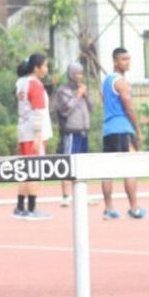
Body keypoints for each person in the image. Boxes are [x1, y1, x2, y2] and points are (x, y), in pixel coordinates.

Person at [101, 48, 145, 219]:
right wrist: (138, 129)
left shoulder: (106, 81)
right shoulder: (121, 82)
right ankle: (134, 208)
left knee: (108, 171)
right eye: (123, 59)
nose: (127, 62)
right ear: (115, 61)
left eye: (128, 59)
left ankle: (109, 208)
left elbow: (105, 101)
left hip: (108, 129)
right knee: (130, 169)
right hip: (123, 128)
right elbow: (129, 107)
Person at [14, 54, 53, 220]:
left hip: (23, 130)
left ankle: (20, 206)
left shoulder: (21, 83)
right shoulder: (35, 85)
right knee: (34, 171)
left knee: (25, 170)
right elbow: (38, 112)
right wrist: (38, 135)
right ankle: (32, 208)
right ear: (36, 67)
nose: (47, 69)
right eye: (45, 66)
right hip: (33, 132)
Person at [54, 63, 91, 207]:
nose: (79, 76)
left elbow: (91, 108)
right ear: (70, 74)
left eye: (81, 73)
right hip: (70, 131)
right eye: (77, 73)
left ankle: (82, 195)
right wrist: (77, 95)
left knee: (83, 164)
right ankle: (65, 196)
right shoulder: (63, 91)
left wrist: (87, 97)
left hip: (83, 131)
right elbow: (65, 109)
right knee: (68, 162)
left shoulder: (83, 89)